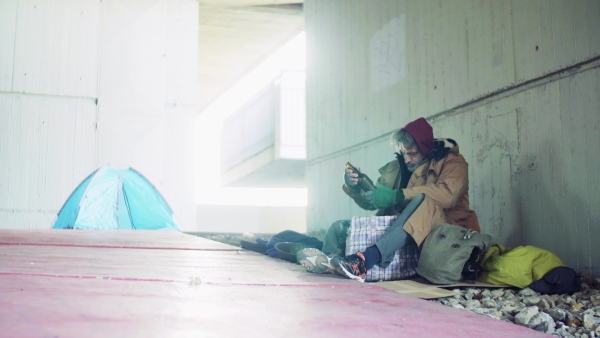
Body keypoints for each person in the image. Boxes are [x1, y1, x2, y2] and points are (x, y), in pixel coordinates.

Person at [297, 117, 480, 282]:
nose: (407, 159)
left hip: (444, 236)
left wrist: (397, 196)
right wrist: (356, 187)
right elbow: (373, 201)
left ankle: (365, 260)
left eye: (412, 153)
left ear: (425, 148)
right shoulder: (397, 168)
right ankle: (330, 262)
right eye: (403, 153)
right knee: (340, 228)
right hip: (402, 235)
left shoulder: (453, 162)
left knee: (423, 201)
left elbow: (447, 195)